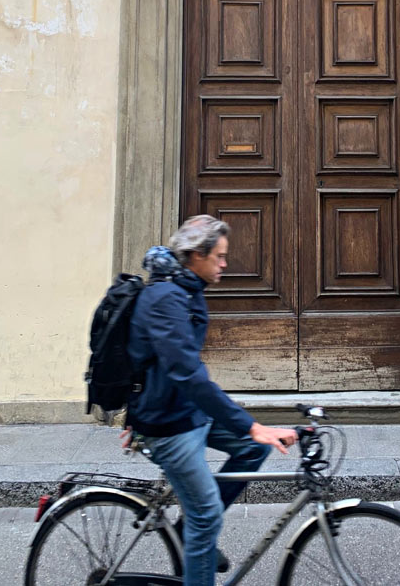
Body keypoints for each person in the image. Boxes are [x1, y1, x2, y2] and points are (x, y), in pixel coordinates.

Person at [126, 215, 297, 586]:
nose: (224, 264)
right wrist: (251, 424)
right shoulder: (165, 298)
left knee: (252, 449)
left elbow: (154, 361)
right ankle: (197, 532)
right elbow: (186, 373)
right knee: (207, 515)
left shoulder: (184, 290)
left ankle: (190, 532)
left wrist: (251, 431)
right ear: (196, 256)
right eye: (218, 256)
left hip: (184, 412)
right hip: (167, 425)